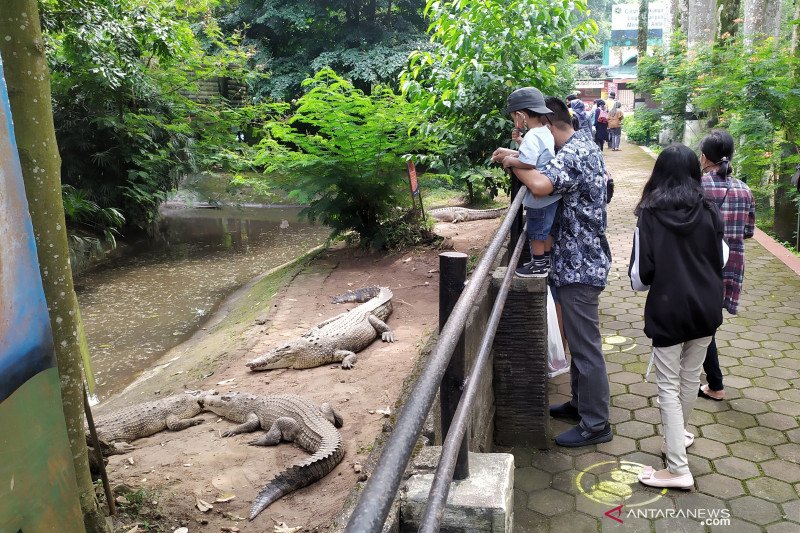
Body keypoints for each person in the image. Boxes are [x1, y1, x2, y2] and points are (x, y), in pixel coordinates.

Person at [511, 96, 613, 447]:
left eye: (537, 129)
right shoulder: (582, 143)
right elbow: (541, 173)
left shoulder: (574, 153)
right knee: (579, 343)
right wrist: (519, 158)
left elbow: (539, 184)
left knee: (586, 348)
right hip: (578, 260)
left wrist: (514, 163)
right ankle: (580, 404)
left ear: (549, 124)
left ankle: (597, 424)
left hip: (580, 264)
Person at [628, 144, 727, 489]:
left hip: (669, 309)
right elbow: (722, 258)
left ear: (659, 173)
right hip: (706, 308)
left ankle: (677, 469)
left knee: (668, 385)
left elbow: (640, 277)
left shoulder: (650, 215)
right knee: (688, 378)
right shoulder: (710, 210)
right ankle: (678, 438)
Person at [697, 130, 755, 401]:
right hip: (731, 264)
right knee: (707, 321)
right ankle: (710, 378)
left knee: (704, 324)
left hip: (701, 264)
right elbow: (748, 231)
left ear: (704, 157)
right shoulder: (745, 189)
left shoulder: (697, 186)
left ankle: (715, 384)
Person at [490, 88, 560, 278]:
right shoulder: (544, 131)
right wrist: (520, 141)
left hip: (539, 198)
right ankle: (544, 260)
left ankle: (538, 266)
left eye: (514, 117)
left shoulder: (532, 136)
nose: (514, 121)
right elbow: (538, 154)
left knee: (536, 230)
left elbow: (528, 162)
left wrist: (511, 161)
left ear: (520, 115)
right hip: (551, 194)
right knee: (547, 230)